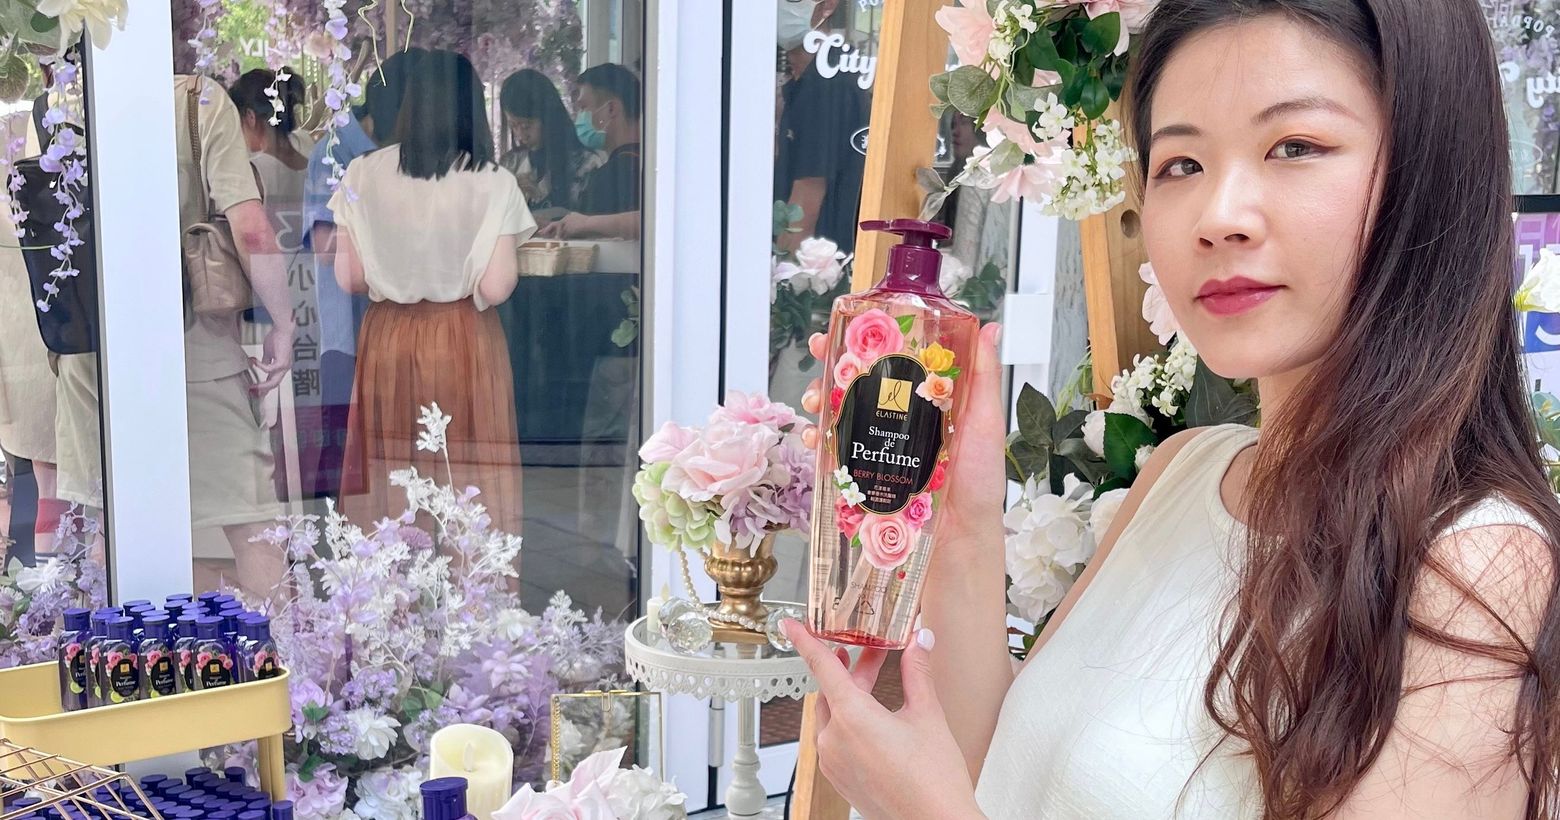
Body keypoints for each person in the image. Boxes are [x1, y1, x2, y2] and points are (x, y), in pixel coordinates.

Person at [783, 1, 1560, 818]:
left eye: (1295, 147)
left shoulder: (1476, 568)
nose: (1218, 217)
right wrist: (963, 521)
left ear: (1428, 175)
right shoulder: (1183, 472)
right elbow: (1006, 777)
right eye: (1181, 163)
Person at [330, 50, 536, 541]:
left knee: (389, 467)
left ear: (410, 104)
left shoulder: (362, 173)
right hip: (463, 337)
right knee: (466, 472)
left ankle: (389, 580)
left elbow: (350, 277)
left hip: (387, 338)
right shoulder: (494, 181)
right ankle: (470, 582)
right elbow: (496, 286)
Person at [302, 47, 426, 500]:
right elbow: (324, 247)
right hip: (348, 335)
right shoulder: (335, 153)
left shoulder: (400, 155)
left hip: (397, 328)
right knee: (347, 470)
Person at [773, 0, 868, 254]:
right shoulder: (806, 81)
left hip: (815, 266)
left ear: (828, 5)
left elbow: (805, 204)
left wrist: (780, 271)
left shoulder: (825, 84)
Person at [537, 63, 640, 240]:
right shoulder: (647, 166)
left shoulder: (614, 176)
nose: (580, 117)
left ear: (611, 109)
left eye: (584, 108)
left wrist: (585, 224)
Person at [498, 68, 604, 214]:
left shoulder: (586, 164)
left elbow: (594, 220)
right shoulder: (510, 164)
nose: (520, 135)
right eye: (513, 126)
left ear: (548, 118)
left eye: (526, 126)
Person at [229, 67, 309, 254]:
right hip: (313, 267)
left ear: (250, 117)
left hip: (273, 268)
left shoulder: (254, 172)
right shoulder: (309, 146)